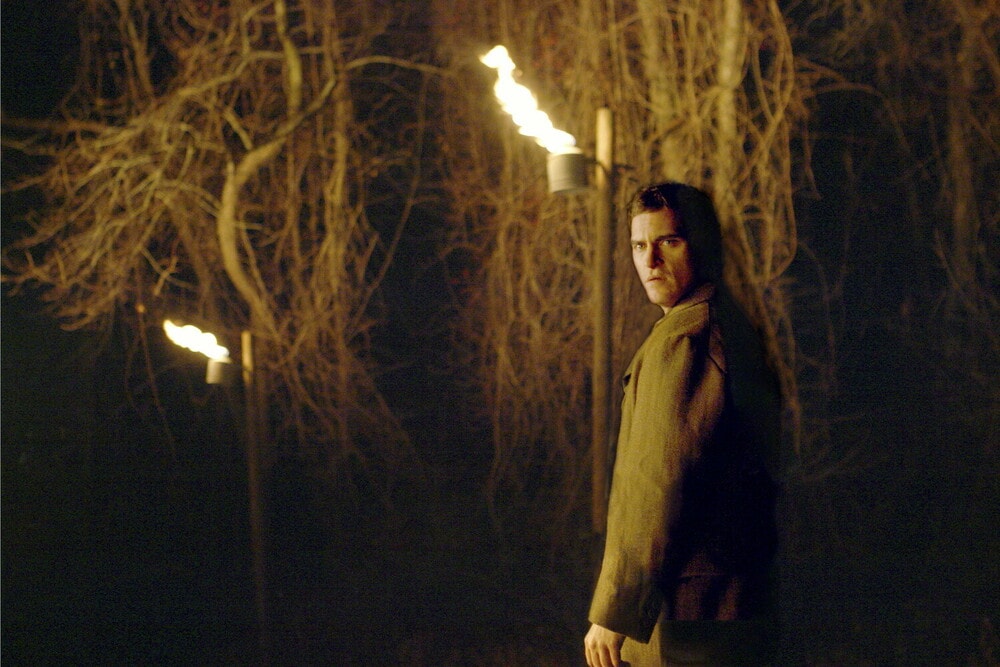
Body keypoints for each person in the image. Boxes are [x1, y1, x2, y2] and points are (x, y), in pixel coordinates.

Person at [584, 182, 780, 667]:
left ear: (701, 244)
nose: (650, 261)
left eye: (668, 242)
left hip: (690, 615)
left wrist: (616, 609)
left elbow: (659, 481)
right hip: (726, 606)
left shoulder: (687, 338)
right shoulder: (724, 322)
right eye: (638, 245)